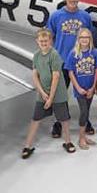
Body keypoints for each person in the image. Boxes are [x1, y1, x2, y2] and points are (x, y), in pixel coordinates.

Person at [46, 0, 92, 138]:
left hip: (81, 62)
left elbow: (89, 37)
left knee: (84, 93)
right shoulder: (56, 16)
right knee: (60, 95)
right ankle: (58, 123)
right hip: (62, 61)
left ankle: (85, 121)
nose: (73, 0)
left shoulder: (85, 16)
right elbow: (49, 36)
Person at [21, 29, 75, 159]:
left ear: (50, 41)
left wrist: (51, 97)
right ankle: (28, 145)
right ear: (37, 42)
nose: (44, 43)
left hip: (57, 94)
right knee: (36, 119)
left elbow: (56, 76)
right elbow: (35, 74)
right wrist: (41, 92)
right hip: (43, 93)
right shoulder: (36, 55)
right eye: (41, 41)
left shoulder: (54, 55)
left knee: (64, 119)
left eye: (46, 41)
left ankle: (67, 141)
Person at [66, 28, 97, 150]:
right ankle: (81, 138)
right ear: (78, 39)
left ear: (90, 39)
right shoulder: (73, 53)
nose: (84, 40)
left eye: (87, 37)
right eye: (82, 37)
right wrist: (77, 87)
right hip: (80, 89)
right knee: (84, 112)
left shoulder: (95, 53)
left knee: (86, 112)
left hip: (90, 88)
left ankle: (85, 136)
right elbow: (71, 72)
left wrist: (93, 87)